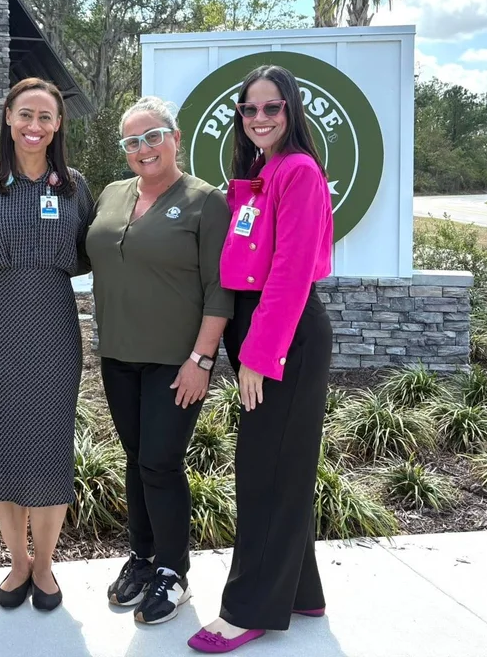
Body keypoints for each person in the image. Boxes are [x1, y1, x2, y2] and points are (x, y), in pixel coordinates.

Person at [188, 65, 335, 654]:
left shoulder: (298, 171)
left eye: (271, 108)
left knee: (264, 472)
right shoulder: (260, 172)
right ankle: (301, 591)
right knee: (282, 464)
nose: (260, 119)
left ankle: (248, 608)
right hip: (260, 328)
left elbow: (291, 272)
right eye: (249, 110)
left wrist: (258, 356)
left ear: (291, 112)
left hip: (283, 333)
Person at [86, 96, 233, 625]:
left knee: (160, 461)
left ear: (175, 136)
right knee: (135, 457)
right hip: (118, 355)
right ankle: (143, 557)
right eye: (132, 141)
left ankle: (173, 572)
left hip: (177, 361)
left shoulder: (204, 200)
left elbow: (221, 289)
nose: (143, 149)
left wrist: (202, 358)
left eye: (153, 136)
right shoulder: (111, 194)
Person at [0, 77, 94, 613]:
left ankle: (46, 565)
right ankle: (16, 563)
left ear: (58, 125)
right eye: (25, 115)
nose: (35, 126)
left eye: (46, 117)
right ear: (8, 119)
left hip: (54, 327)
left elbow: (87, 253)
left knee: (48, 445)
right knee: (0, 442)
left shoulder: (75, 186)